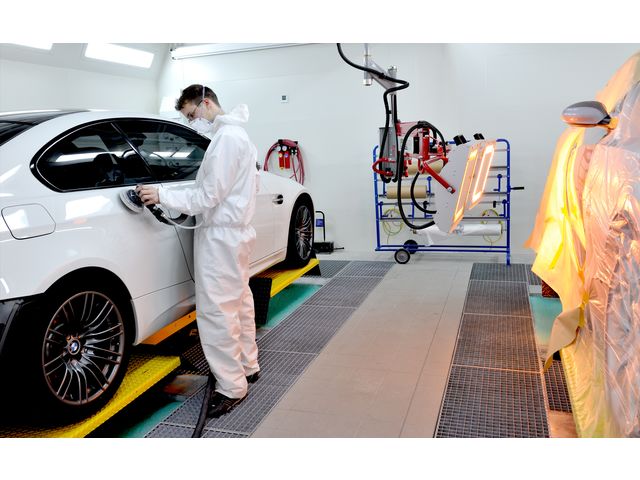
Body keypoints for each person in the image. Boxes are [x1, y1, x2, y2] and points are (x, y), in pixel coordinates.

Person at [137, 84, 260, 418]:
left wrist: (162, 195)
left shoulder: (226, 139)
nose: (193, 123)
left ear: (205, 103)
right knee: (239, 302)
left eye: (192, 115)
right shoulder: (237, 135)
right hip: (236, 233)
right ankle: (248, 365)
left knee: (217, 313)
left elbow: (207, 196)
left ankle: (231, 387)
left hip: (221, 237)